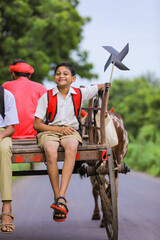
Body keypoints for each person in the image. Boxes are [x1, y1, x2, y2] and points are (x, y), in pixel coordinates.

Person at [33, 62, 104, 222]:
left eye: (65, 73)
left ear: (73, 78)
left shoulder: (79, 93)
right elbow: (37, 125)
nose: (61, 76)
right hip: (50, 131)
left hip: (71, 132)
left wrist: (106, 85)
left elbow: (99, 86)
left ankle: (61, 197)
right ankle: (58, 197)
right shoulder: (46, 96)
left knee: (72, 147)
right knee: (50, 150)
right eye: (58, 73)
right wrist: (58, 130)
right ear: (54, 78)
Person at [3, 59, 47, 139]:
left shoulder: (5, 86)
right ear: (29, 75)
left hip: (9, 135)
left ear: (13, 73)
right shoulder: (41, 88)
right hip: (34, 135)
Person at [0, 85, 19, 233]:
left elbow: (10, 128)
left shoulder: (6, 95)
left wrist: (0, 136)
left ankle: (6, 205)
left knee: (4, 149)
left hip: (2, 132)